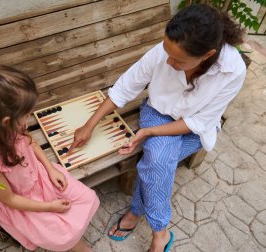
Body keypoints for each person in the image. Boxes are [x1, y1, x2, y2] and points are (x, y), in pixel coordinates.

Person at [69, 4, 246, 252]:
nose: (168, 61)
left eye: (178, 60)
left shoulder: (233, 69)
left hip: (194, 128)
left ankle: (138, 213)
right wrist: (89, 124)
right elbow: (125, 86)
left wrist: (148, 133)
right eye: (167, 52)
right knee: (159, 160)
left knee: (157, 158)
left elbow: (200, 122)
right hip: (157, 113)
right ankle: (159, 233)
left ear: (207, 55)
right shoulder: (163, 52)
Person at [0, 66, 99, 252]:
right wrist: (49, 206)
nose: (29, 118)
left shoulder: (3, 126)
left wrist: (50, 168)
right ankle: (78, 246)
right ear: (6, 122)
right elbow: (10, 199)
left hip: (38, 177)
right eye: (26, 115)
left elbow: (30, 142)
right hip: (22, 200)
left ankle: (74, 240)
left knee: (86, 197)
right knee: (62, 234)